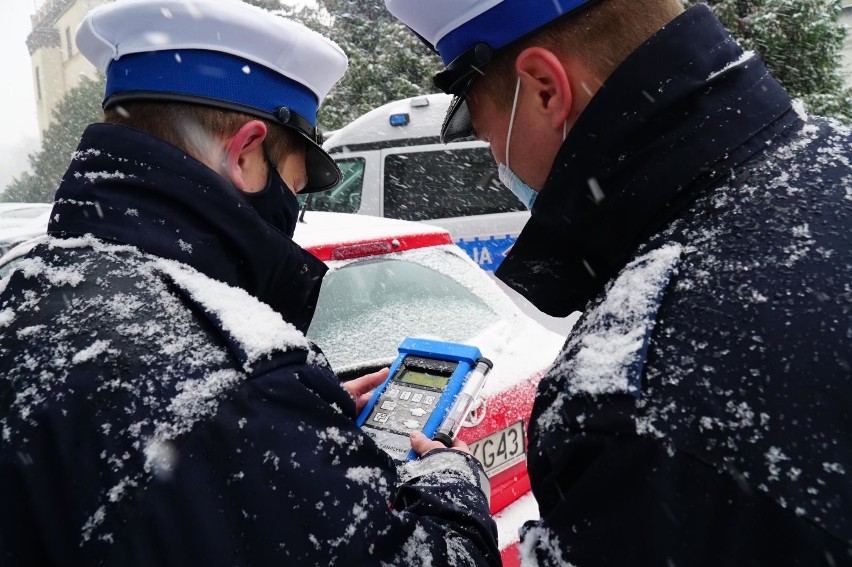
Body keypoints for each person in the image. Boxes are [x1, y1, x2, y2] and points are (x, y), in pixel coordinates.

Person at [0, 1, 500, 565]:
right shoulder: (237, 380)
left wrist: (297, 421)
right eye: (293, 187)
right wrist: (449, 484)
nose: (292, 215)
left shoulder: (22, 282)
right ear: (244, 152)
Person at [384, 0, 852, 564]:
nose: (496, 164)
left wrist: (451, 511)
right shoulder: (830, 159)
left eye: (485, 138)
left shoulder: (632, 402)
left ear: (544, 90)